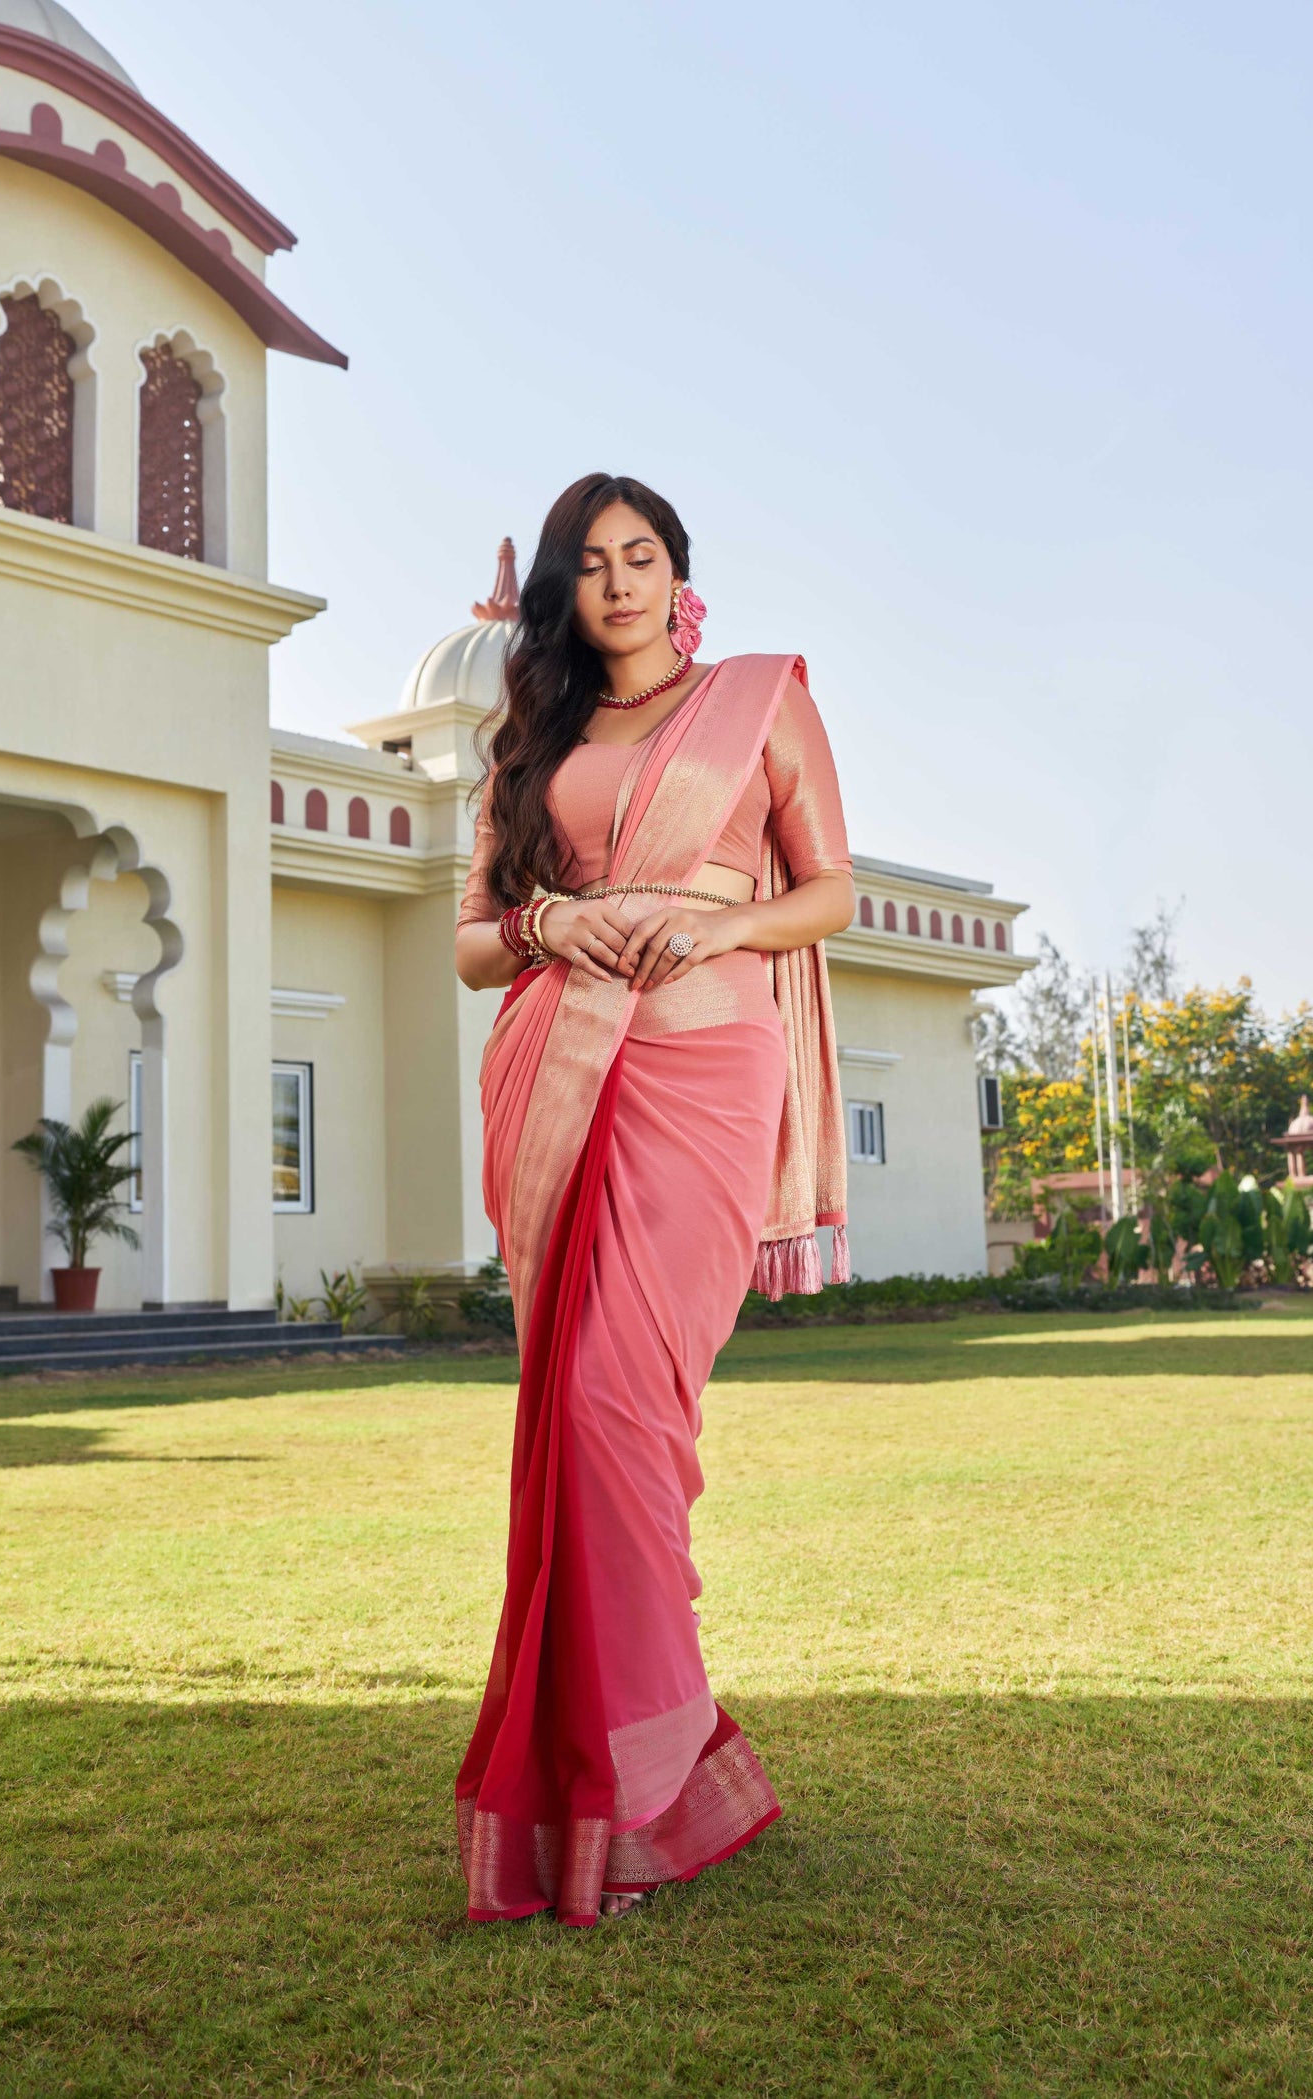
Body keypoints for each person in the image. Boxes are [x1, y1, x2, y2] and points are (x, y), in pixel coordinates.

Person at [453, 471, 856, 1926]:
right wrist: (555, 917)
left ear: (679, 574)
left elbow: (832, 889)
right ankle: (607, 1791)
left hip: (705, 1069)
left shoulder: (760, 701)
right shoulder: (537, 734)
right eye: (591, 562)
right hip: (558, 1069)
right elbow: (475, 941)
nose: (618, 582)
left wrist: (720, 927)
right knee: (572, 1423)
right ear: (561, 589)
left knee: (628, 1407)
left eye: (643, 556)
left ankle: (640, 1779)